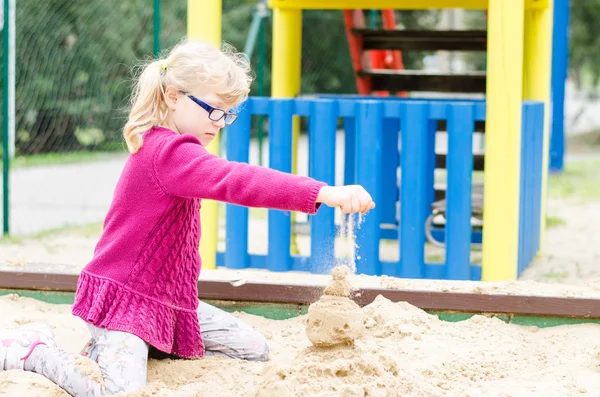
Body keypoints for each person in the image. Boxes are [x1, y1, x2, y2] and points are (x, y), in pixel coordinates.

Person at [0, 39, 375, 396]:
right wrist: (323, 193)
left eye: (228, 114)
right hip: (127, 303)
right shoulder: (168, 152)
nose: (220, 122)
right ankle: (34, 350)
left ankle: (131, 352)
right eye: (213, 110)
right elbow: (239, 181)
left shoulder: (177, 150)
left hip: (167, 301)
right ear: (173, 97)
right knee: (118, 390)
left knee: (253, 348)